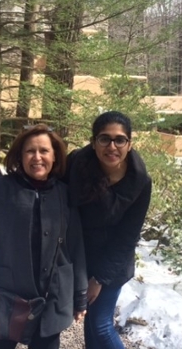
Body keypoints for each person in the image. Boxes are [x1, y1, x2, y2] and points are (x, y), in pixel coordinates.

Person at [0, 123, 87, 349]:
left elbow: (75, 248)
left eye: (44, 151)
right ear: (20, 156)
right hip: (3, 298)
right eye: (30, 151)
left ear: (55, 156)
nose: (37, 157)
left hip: (51, 298)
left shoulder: (65, 194)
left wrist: (80, 296)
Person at [65, 111, 152, 349]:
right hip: (80, 255)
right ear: (94, 143)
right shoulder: (77, 165)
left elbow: (128, 236)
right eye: (104, 139)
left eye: (119, 139)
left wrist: (99, 278)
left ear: (129, 144)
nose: (112, 146)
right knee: (90, 322)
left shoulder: (140, 181)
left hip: (113, 261)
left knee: (101, 325)